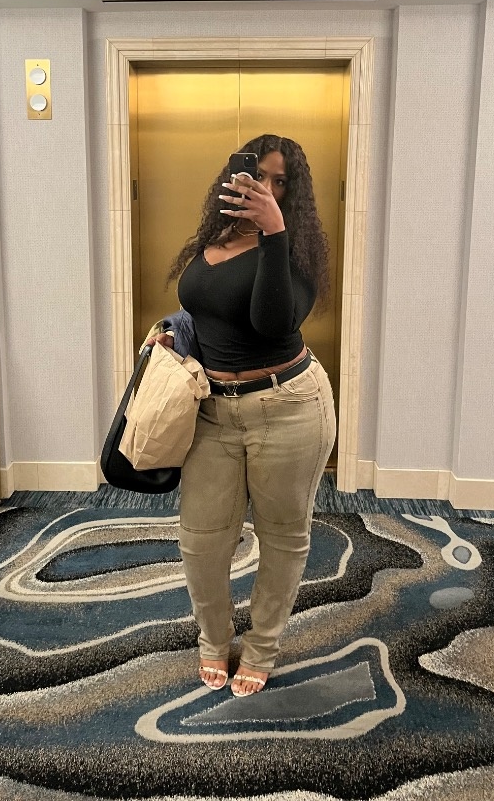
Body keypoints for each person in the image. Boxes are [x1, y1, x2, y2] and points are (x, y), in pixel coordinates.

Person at [148, 133, 336, 697]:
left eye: (282, 183)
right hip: (212, 410)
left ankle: (262, 647)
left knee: (283, 536)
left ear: (293, 194)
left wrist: (275, 233)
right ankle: (213, 639)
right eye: (260, 177)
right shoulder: (217, 236)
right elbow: (205, 305)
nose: (268, 189)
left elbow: (272, 321)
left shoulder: (296, 252)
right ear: (236, 178)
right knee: (201, 539)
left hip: (289, 407)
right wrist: (177, 332)